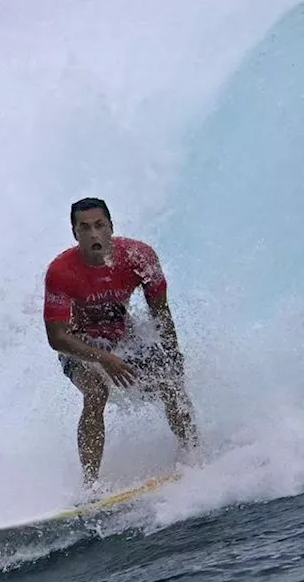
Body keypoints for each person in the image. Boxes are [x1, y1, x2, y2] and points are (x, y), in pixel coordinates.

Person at [43, 196, 199, 487]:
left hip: (123, 336)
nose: (94, 234)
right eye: (85, 228)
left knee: (170, 380)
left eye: (100, 225)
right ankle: (90, 488)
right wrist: (103, 359)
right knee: (96, 391)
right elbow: (57, 338)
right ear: (75, 233)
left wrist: (172, 353)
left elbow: (160, 313)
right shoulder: (61, 272)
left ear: (111, 226)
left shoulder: (140, 257)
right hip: (79, 344)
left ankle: (193, 455)